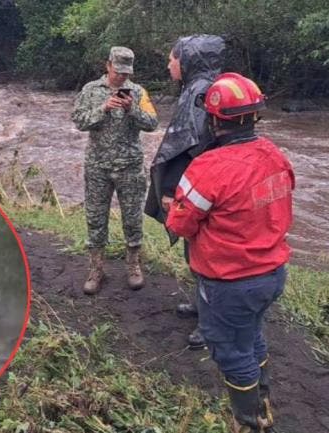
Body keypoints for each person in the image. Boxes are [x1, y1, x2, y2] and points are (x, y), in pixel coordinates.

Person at [166, 72, 294, 433]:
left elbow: (180, 225)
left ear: (213, 119)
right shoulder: (274, 155)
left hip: (229, 280)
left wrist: (173, 205)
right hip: (272, 273)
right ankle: (263, 405)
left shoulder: (208, 167)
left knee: (230, 350)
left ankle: (248, 423)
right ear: (255, 116)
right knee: (252, 337)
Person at [145, 34, 226, 350]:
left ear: (187, 60)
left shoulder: (200, 92)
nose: (168, 64)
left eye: (172, 58)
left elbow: (186, 148)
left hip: (202, 186)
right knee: (196, 250)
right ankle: (202, 307)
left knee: (206, 253)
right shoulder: (206, 88)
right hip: (205, 183)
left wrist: (172, 191)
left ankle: (211, 324)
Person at [71, 46, 159, 294]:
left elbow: (153, 123)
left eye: (126, 73)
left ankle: (133, 265)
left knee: (132, 218)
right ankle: (96, 268)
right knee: (96, 218)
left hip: (130, 166)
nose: (121, 77)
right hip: (98, 166)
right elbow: (78, 121)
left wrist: (132, 109)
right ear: (108, 65)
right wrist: (103, 109)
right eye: (118, 71)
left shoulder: (138, 92)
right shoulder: (91, 90)